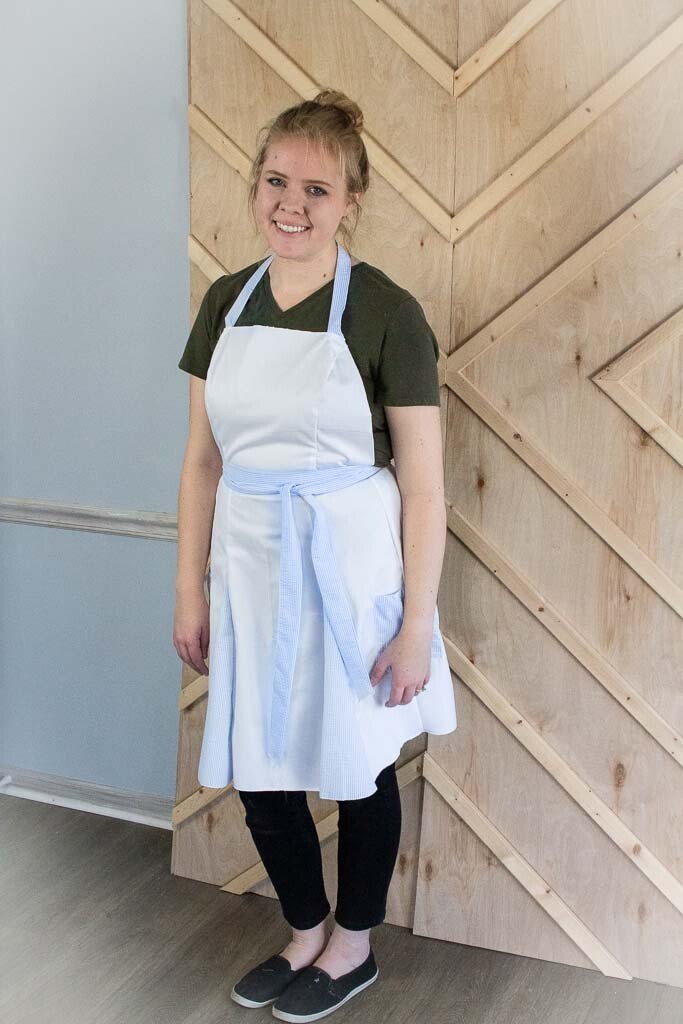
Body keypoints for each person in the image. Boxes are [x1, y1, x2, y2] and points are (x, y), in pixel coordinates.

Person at [174, 88, 457, 1020]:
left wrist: (415, 626)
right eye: (276, 181)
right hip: (248, 565)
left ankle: (354, 943)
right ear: (257, 186)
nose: (291, 204)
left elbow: (422, 485)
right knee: (261, 763)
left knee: (357, 763)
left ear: (351, 202)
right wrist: (189, 589)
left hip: (350, 570)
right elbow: (203, 460)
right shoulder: (227, 300)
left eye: (316, 189)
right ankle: (302, 931)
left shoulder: (384, 310)